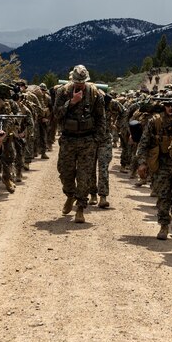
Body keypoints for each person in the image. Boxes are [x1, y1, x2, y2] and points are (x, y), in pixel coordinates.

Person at [53, 65, 106, 223]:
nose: (79, 85)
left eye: (82, 82)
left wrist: (97, 140)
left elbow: (101, 119)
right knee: (65, 172)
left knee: (85, 176)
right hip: (68, 139)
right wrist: (72, 102)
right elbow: (56, 114)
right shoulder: (63, 92)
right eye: (77, 82)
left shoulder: (95, 94)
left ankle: (80, 207)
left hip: (87, 140)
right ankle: (70, 195)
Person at [135, 91, 172, 239]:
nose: (170, 108)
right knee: (163, 195)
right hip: (161, 163)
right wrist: (142, 163)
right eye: (168, 104)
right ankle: (164, 225)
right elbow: (143, 143)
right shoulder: (155, 121)